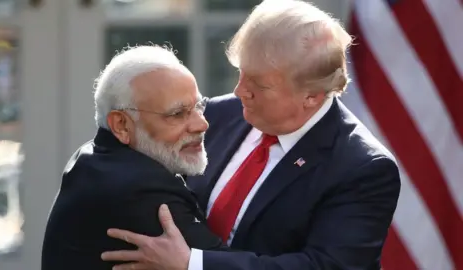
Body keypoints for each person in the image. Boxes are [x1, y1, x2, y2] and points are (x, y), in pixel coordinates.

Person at [100, 0, 401, 269]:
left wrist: (194, 264)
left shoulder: (363, 169)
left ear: (312, 95)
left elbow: (325, 265)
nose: (239, 90)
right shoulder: (219, 115)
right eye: (241, 72)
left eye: (259, 83)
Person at [41, 45, 225, 270]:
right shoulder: (140, 190)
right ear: (121, 125)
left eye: (199, 106)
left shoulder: (93, 157)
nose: (202, 124)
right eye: (177, 114)